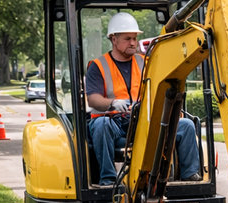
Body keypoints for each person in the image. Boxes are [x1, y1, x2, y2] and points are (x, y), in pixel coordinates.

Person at [86, 12, 200, 186]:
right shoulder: (98, 65)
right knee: (100, 125)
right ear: (113, 39)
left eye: (134, 38)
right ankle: (108, 179)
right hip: (113, 122)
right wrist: (112, 103)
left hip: (141, 120)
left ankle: (190, 174)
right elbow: (93, 100)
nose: (132, 42)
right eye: (127, 38)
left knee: (186, 126)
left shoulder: (144, 62)